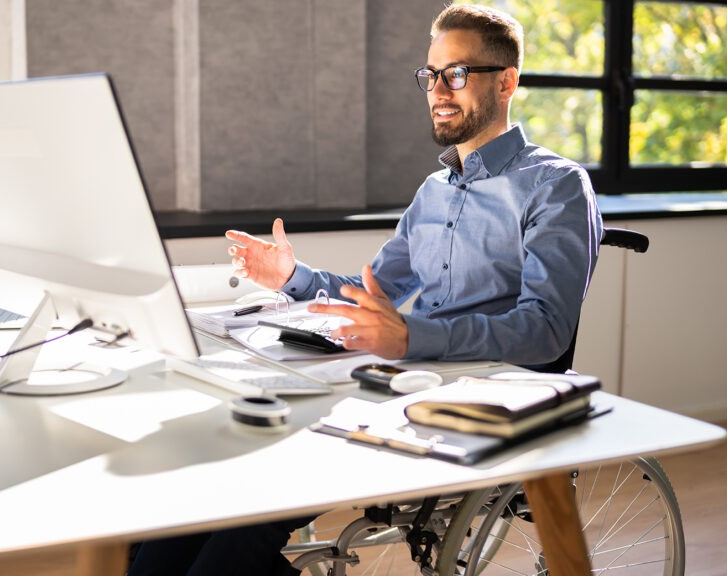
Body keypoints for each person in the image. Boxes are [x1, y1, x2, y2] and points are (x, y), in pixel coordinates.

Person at [128, 4, 602, 575]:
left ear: (507, 82)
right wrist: (292, 278)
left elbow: (546, 331)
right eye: (431, 75)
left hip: (467, 406)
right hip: (390, 385)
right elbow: (369, 289)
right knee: (179, 515)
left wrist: (411, 336)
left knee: (233, 535)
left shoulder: (555, 185)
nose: (438, 90)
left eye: (457, 73)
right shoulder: (432, 191)